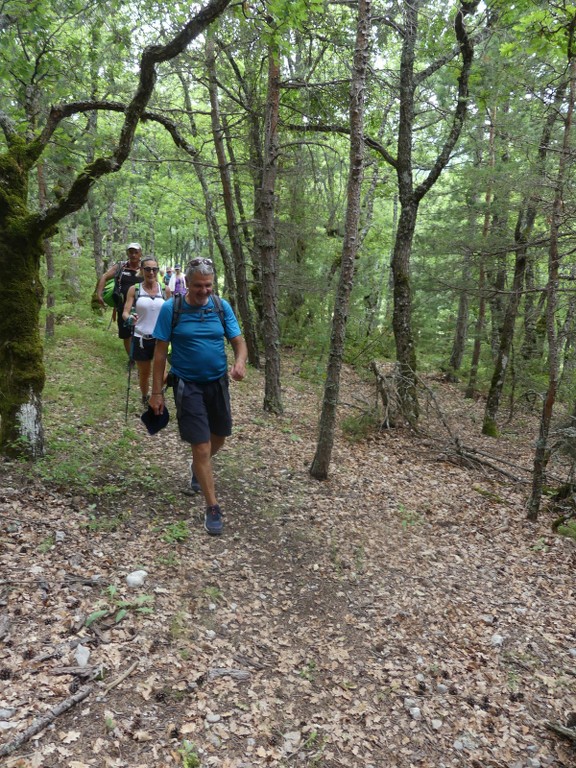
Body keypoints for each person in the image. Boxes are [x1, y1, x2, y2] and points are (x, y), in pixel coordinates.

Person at [149, 258, 247, 536]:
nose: (204, 291)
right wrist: (157, 392)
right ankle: (212, 507)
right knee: (202, 446)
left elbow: (239, 342)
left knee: (220, 437)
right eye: (198, 286)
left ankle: (196, 467)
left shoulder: (220, 306)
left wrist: (240, 362)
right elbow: (159, 354)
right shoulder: (173, 308)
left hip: (217, 383)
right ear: (186, 285)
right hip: (187, 384)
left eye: (208, 285)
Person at [122, 257, 171, 405]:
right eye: (147, 269)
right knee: (144, 373)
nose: (151, 272)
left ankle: (158, 395)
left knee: (162, 374)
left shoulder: (165, 289)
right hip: (141, 338)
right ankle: (145, 397)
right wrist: (129, 318)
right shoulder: (135, 289)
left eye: (154, 269)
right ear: (142, 270)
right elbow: (125, 312)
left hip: (160, 339)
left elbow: (171, 312)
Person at [96, 243, 143, 356]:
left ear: (140, 253)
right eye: (131, 252)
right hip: (123, 306)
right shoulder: (121, 267)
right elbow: (104, 277)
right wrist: (99, 294)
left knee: (141, 332)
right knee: (126, 334)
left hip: (141, 306)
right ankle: (131, 358)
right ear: (127, 253)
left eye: (136, 252)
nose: (133, 255)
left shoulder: (144, 268)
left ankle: (140, 355)